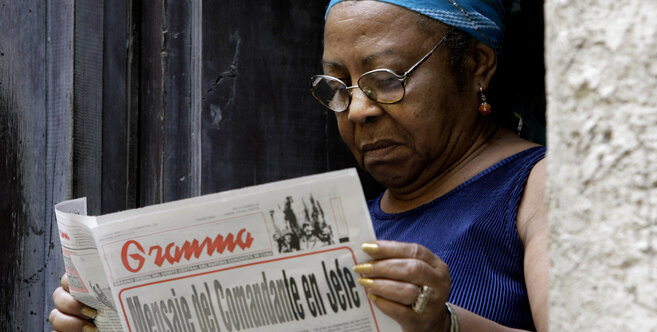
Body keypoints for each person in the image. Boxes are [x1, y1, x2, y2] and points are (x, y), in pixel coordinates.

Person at [50, 0, 548, 331]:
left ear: (477, 64)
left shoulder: (539, 186)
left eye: (386, 79)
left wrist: (446, 326)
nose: (358, 109)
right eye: (338, 86)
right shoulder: (342, 226)